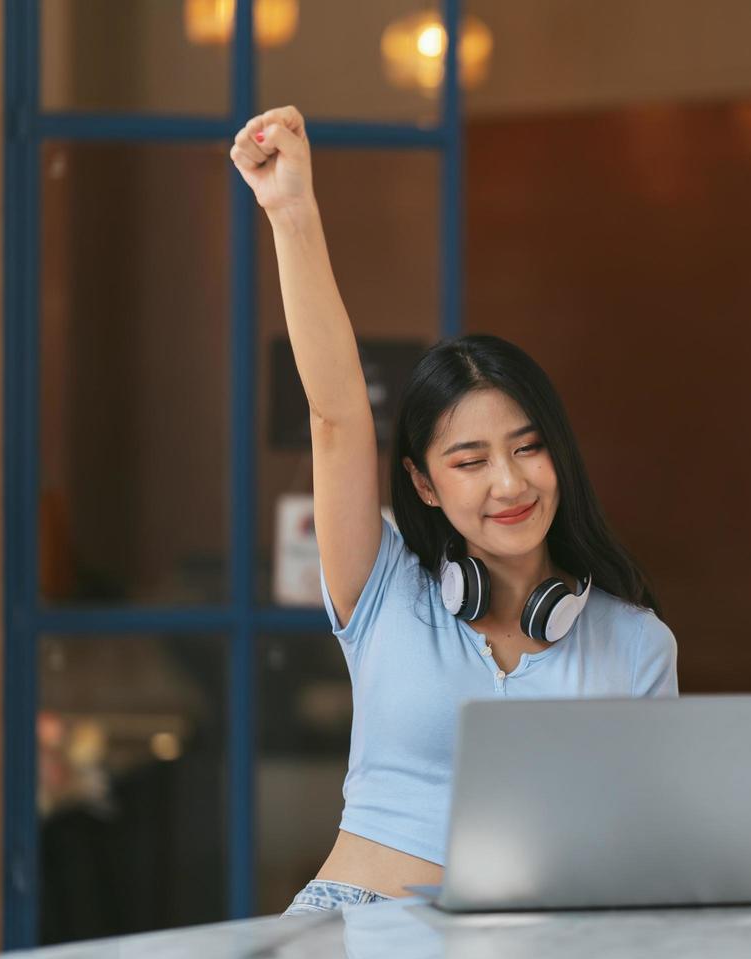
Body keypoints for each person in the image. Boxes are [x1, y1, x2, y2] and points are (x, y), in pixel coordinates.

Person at [228, 106, 679, 916]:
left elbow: (644, 857)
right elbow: (335, 421)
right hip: (352, 935)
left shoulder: (636, 645)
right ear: (427, 485)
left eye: (527, 448)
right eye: (468, 462)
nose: (507, 483)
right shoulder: (384, 589)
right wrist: (291, 211)